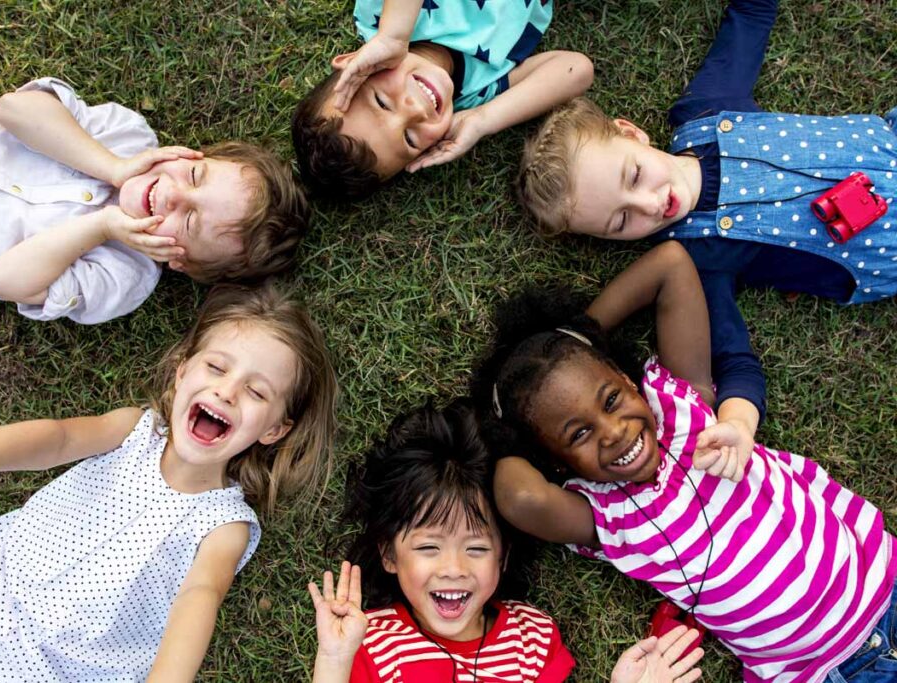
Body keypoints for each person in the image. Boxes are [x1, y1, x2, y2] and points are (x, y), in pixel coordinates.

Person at [471, 241, 897, 682]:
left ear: (625, 379)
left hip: (886, 577)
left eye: (612, 399)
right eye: (579, 434)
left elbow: (671, 264)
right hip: (826, 671)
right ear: (557, 464)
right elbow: (518, 495)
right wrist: (501, 428)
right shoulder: (606, 518)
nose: (613, 431)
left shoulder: (683, 406)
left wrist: (578, 339)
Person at [0, 283, 337, 681]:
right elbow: (55, 439)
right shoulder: (133, 431)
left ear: (275, 429)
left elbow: (201, 596)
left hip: (62, 667)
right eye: (216, 367)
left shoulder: (224, 524)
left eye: (257, 392)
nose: (227, 390)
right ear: (181, 372)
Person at [517, 0, 897, 457]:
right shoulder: (697, 261)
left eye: (634, 175)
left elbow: (749, 22)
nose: (651, 205)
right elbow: (735, 359)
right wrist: (737, 422)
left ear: (632, 133)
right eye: (621, 221)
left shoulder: (705, 110)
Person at [308, 400, 704, 682]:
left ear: (503, 554)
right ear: (389, 555)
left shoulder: (531, 637)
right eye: (429, 547)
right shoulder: (370, 640)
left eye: (476, 548)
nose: (453, 569)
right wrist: (333, 659)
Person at [0, 78, 309, 324]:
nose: (174, 192)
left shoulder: (124, 277)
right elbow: (12, 110)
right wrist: (111, 168)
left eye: (190, 221)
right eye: (195, 175)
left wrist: (100, 227)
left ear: (181, 261)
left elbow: (0, 279)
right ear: (191, 153)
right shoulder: (126, 136)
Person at [291, 0, 593, 201]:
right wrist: (483, 119)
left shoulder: (382, 18)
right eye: (409, 138)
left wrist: (394, 36)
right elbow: (576, 70)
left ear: (355, 63)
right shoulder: (478, 94)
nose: (415, 110)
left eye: (382, 102)